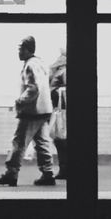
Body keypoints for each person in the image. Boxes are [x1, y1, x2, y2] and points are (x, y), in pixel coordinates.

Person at [0, 36, 58, 187]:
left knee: (19, 142)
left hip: (32, 111)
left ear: (28, 50)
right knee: (42, 142)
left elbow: (33, 88)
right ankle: (48, 174)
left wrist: (19, 101)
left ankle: (11, 174)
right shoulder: (40, 63)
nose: (19, 52)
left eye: (21, 49)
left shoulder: (30, 65)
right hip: (43, 110)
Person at [49, 46, 68, 180]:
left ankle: (65, 169)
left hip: (62, 112)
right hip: (59, 110)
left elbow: (65, 91)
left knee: (61, 141)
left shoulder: (63, 71)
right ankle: (64, 169)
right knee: (60, 141)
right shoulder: (60, 70)